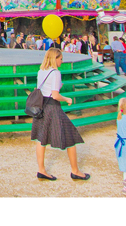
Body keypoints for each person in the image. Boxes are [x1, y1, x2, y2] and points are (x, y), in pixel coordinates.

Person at [32, 48, 89, 181]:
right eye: (60, 59)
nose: (62, 61)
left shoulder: (41, 71)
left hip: (42, 106)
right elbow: (55, 95)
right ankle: (75, 171)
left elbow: (42, 89)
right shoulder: (56, 73)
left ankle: (41, 170)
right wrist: (67, 99)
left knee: (41, 139)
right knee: (71, 136)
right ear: (55, 58)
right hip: (52, 106)